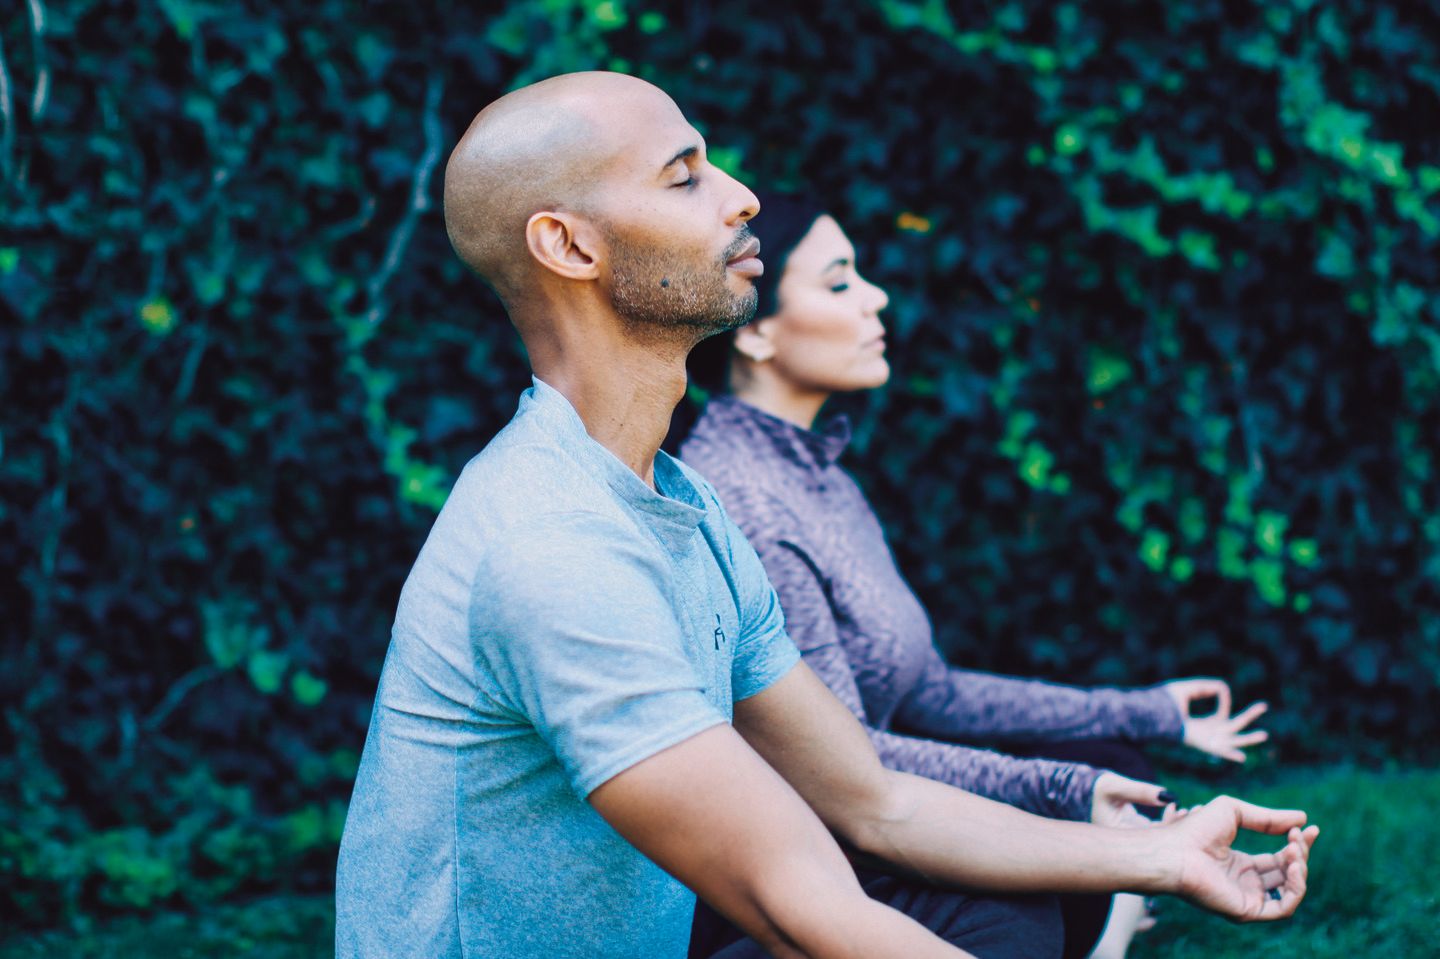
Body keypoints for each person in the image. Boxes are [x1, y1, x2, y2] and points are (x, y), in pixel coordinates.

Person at [334, 72, 1317, 959]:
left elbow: (872, 798)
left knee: (986, 913)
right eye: (685, 178)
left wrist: (1158, 854)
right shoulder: (550, 548)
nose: (742, 196)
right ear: (571, 244)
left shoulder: (683, 503)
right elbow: (791, 896)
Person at [676, 193, 1274, 957]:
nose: (877, 296)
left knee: (1112, 767)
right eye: (838, 282)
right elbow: (841, 764)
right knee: (1040, 869)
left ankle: (1104, 914)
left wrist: (1143, 711)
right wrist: (1059, 791)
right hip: (801, 843)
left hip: (877, 799)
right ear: (755, 331)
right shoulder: (745, 501)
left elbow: (934, 692)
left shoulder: (824, 478)